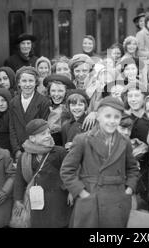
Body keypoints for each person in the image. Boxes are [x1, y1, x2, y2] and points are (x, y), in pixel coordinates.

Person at [60, 97, 139, 228]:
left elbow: (132, 169)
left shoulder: (125, 142)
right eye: (107, 116)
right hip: (91, 199)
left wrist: (129, 189)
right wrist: (82, 193)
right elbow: (67, 170)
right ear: (98, 116)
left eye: (116, 117)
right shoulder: (82, 140)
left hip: (117, 201)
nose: (112, 121)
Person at [13, 119, 71, 228]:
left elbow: (69, 173)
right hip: (36, 202)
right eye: (43, 134)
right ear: (32, 138)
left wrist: (71, 191)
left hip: (57, 200)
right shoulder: (24, 157)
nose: (48, 136)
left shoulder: (59, 152)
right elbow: (19, 180)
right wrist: (18, 200)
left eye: (49, 132)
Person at [9, 66, 51, 160]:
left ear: (36, 82)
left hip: (36, 149)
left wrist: (33, 149)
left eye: (31, 81)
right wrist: (16, 150)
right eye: (24, 81)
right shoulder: (13, 102)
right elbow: (12, 128)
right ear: (19, 83)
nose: (27, 84)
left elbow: (43, 129)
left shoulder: (43, 102)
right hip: (19, 149)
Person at [43, 74, 74, 146]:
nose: (56, 94)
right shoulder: (44, 106)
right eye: (53, 91)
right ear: (49, 92)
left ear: (66, 92)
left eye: (60, 91)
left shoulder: (69, 110)